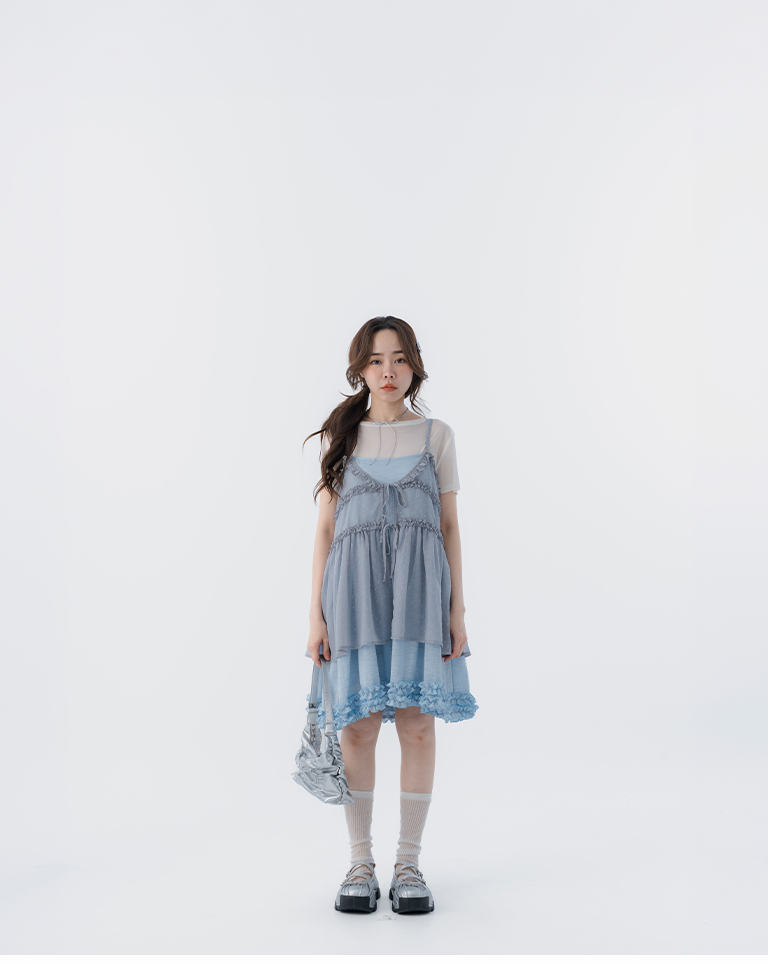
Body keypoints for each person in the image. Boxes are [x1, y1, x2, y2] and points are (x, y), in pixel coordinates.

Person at [302, 315, 478, 915]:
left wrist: (458, 609)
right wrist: (315, 616)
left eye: (399, 359)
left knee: (417, 724)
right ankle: (360, 861)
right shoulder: (341, 437)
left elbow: (449, 526)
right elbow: (324, 532)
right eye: (377, 360)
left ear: (415, 367)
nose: (388, 371)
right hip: (351, 598)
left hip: (420, 597)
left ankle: (408, 863)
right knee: (358, 727)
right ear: (360, 369)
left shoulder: (436, 436)